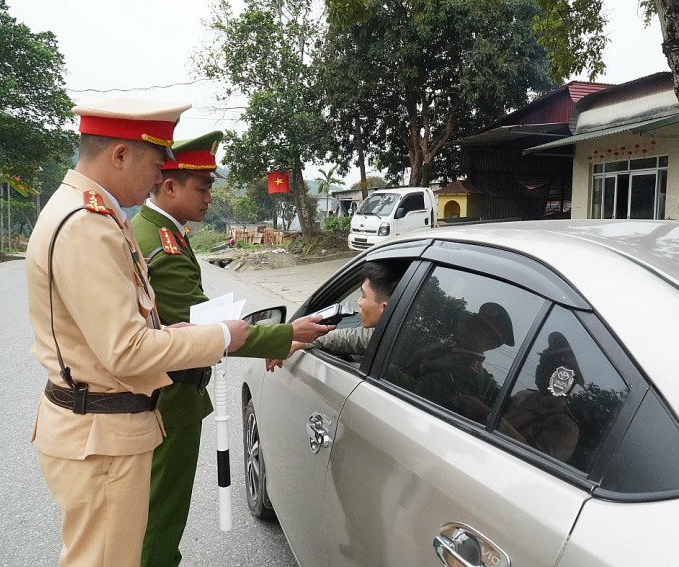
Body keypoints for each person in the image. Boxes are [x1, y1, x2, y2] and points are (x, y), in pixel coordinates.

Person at [25, 97, 251, 567]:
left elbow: (128, 328)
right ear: (120, 155)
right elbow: (126, 351)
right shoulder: (86, 225)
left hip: (105, 427)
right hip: (101, 434)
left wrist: (181, 332)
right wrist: (220, 337)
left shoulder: (95, 214)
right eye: (155, 162)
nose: (158, 176)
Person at [130, 131, 332, 567]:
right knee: (159, 518)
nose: (208, 198)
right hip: (170, 398)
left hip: (163, 395)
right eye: (202, 188)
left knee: (153, 513)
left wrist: (274, 337)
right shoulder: (160, 245)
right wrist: (287, 334)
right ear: (169, 186)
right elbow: (203, 332)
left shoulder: (162, 232)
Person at [387, 302, 514, 423]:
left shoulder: (466, 374)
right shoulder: (446, 349)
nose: (469, 324)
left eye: (478, 327)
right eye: (473, 319)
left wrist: (376, 362)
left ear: (491, 344)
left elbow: (413, 390)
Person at [265, 260, 403, 371]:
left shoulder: (402, 347)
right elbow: (351, 338)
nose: (358, 301)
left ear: (384, 308)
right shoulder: (393, 332)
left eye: (363, 295)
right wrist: (301, 341)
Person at [497, 331, 582, 461]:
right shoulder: (523, 395)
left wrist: (487, 415)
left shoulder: (565, 428)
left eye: (547, 364)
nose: (539, 368)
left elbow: (534, 464)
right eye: (541, 362)